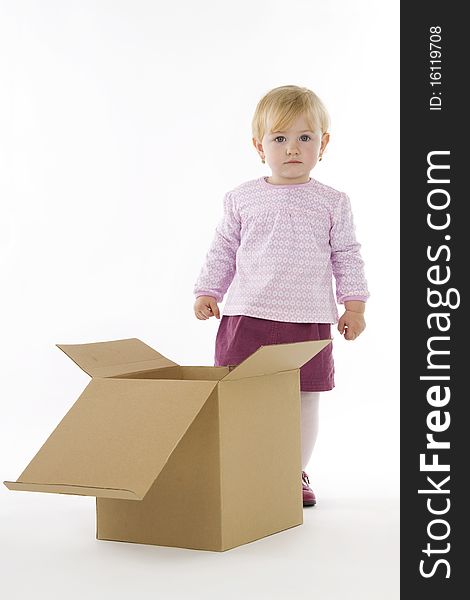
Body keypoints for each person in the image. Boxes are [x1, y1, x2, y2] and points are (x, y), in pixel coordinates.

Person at [192, 84, 369, 507]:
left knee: (305, 399)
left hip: (308, 320)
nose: (293, 148)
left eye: (305, 138)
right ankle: (240, 467)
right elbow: (223, 249)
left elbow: (347, 254)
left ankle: (292, 472)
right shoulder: (241, 199)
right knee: (239, 395)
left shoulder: (332, 202)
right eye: (280, 138)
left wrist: (355, 306)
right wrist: (207, 290)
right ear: (259, 146)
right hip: (247, 316)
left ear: (322, 144)